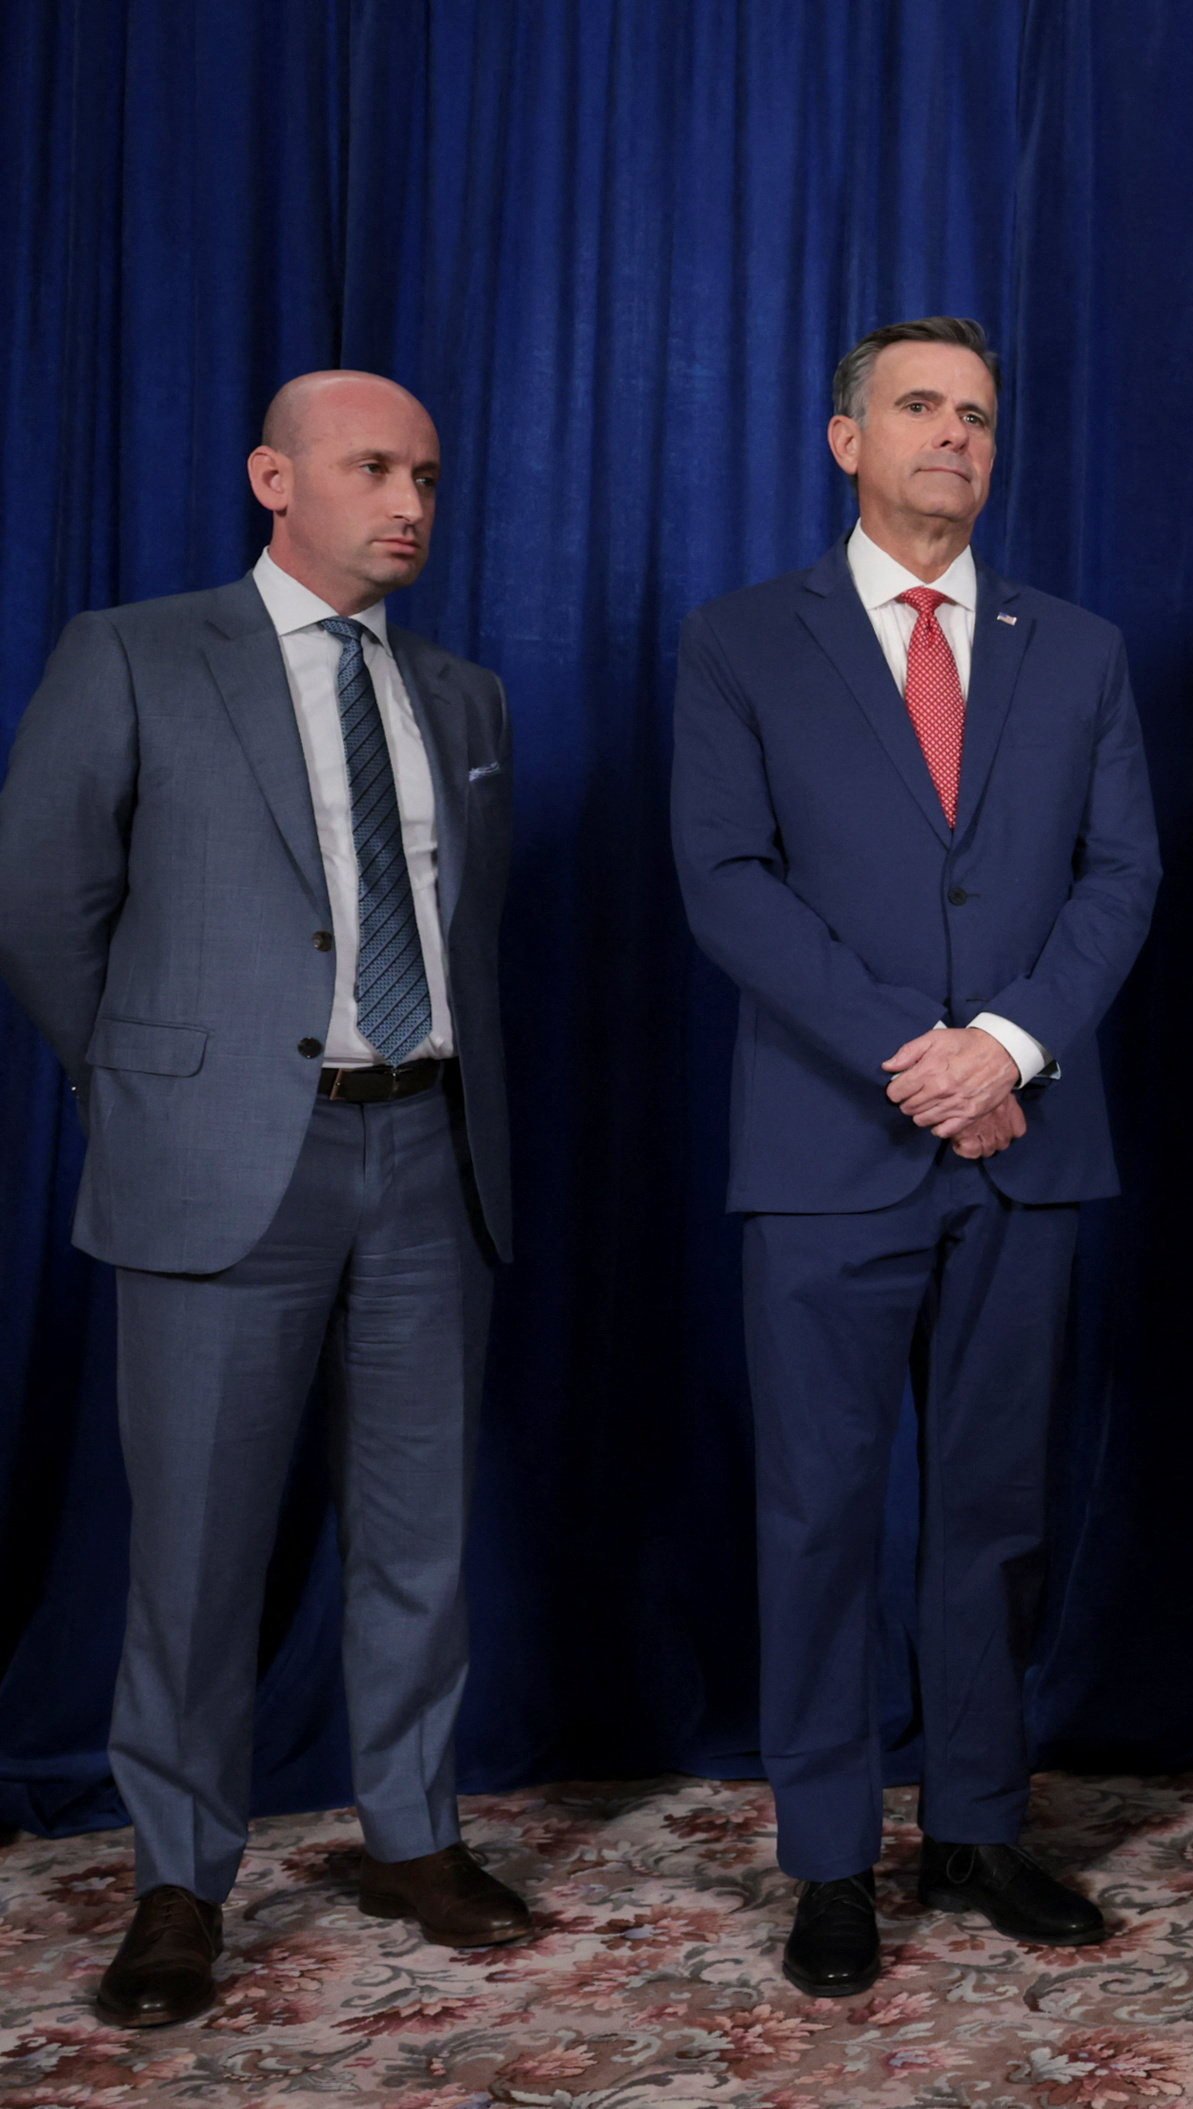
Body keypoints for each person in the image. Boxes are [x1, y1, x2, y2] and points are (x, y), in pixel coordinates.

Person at [0, 371, 529, 2025]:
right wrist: (151, 1089)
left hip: (429, 1155)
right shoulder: (136, 654)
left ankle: (414, 1828)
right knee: (198, 1548)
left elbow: (471, 939)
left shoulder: (464, 694)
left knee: (417, 1530)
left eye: (429, 473)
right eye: (375, 466)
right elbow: (41, 902)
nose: (413, 501)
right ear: (272, 477)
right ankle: (177, 1873)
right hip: (230, 1160)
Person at [668, 317, 1160, 1998]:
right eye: (920, 408)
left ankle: (974, 1819)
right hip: (829, 1148)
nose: (954, 436)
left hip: (1029, 1144)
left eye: (977, 415)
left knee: (995, 1514)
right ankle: (828, 1855)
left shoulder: (1078, 649)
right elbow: (728, 880)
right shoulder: (743, 642)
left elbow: (1120, 878)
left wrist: (1009, 1045)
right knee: (816, 1514)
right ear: (843, 439)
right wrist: (923, 1057)